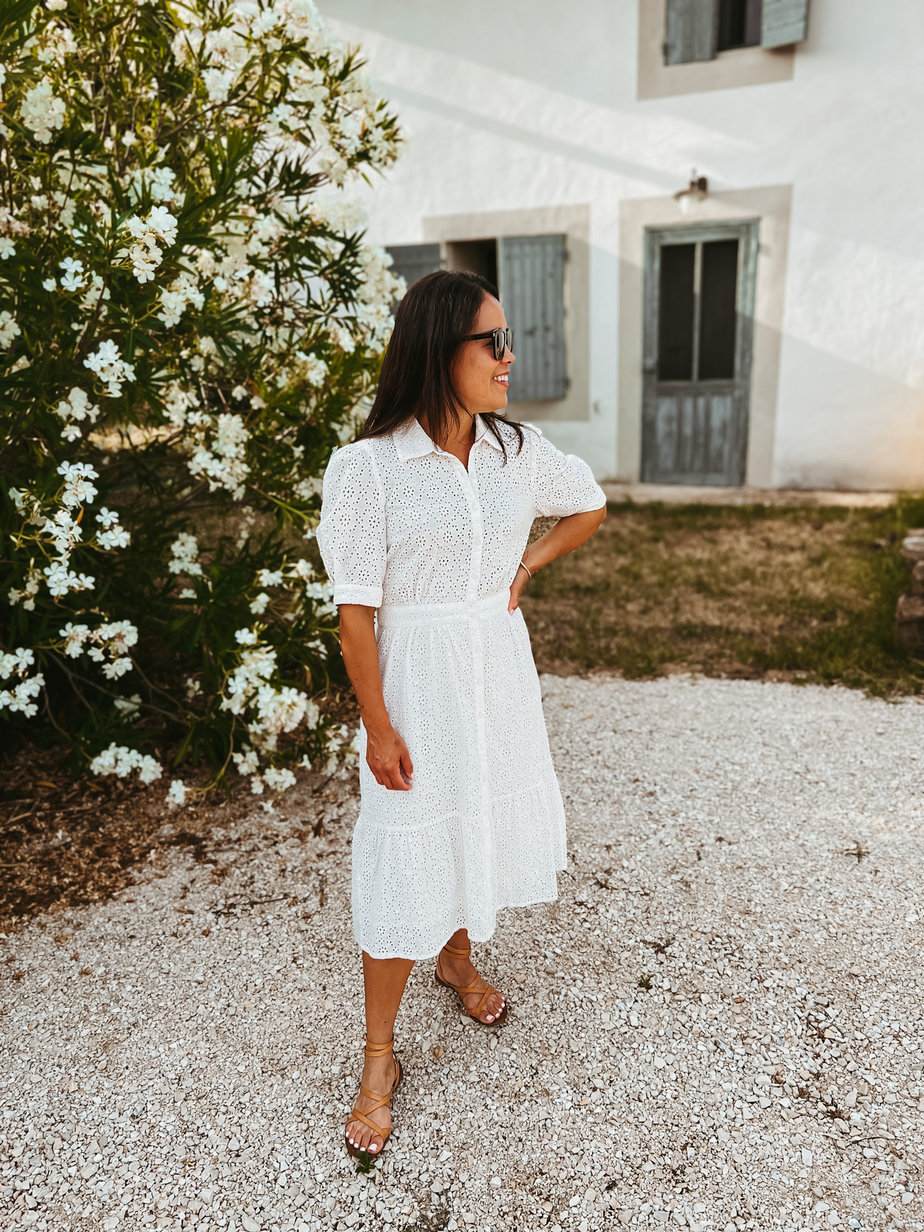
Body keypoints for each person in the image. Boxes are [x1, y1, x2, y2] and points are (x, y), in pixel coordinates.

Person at [316, 270, 607, 1160]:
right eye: (493, 342)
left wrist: (526, 565)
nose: (510, 357)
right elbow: (355, 611)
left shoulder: (515, 451)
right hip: (416, 683)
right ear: (440, 350)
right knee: (406, 850)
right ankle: (378, 1058)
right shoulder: (369, 467)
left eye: (508, 338)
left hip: (495, 675)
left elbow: (590, 502)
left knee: (471, 818)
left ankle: (456, 957)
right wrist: (377, 722)